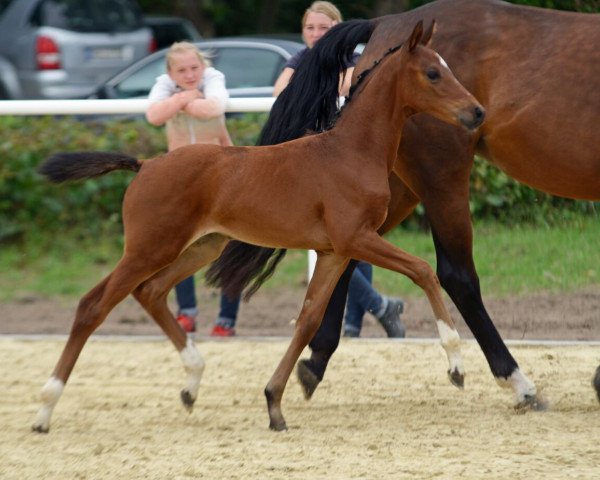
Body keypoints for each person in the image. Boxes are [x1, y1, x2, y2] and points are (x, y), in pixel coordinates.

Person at [210, 0, 405, 339]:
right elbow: (280, 90)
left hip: (343, 166)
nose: (316, 34)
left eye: (324, 29)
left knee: (359, 237)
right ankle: (377, 307)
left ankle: (357, 319)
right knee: (350, 239)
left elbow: (348, 86)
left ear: (338, 31)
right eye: (311, 28)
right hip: (309, 164)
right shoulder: (300, 60)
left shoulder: (353, 62)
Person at [146, 41, 233, 334]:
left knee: (229, 245)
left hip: (219, 175)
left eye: (194, 67)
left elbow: (214, 107)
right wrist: (184, 98)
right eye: (181, 70)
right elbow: (153, 115)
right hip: (182, 180)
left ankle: (226, 320)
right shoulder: (165, 84)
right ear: (170, 72)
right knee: (179, 245)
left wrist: (182, 101)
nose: (190, 73)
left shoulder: (214, 78)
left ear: (203, 66)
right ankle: (187, 313)